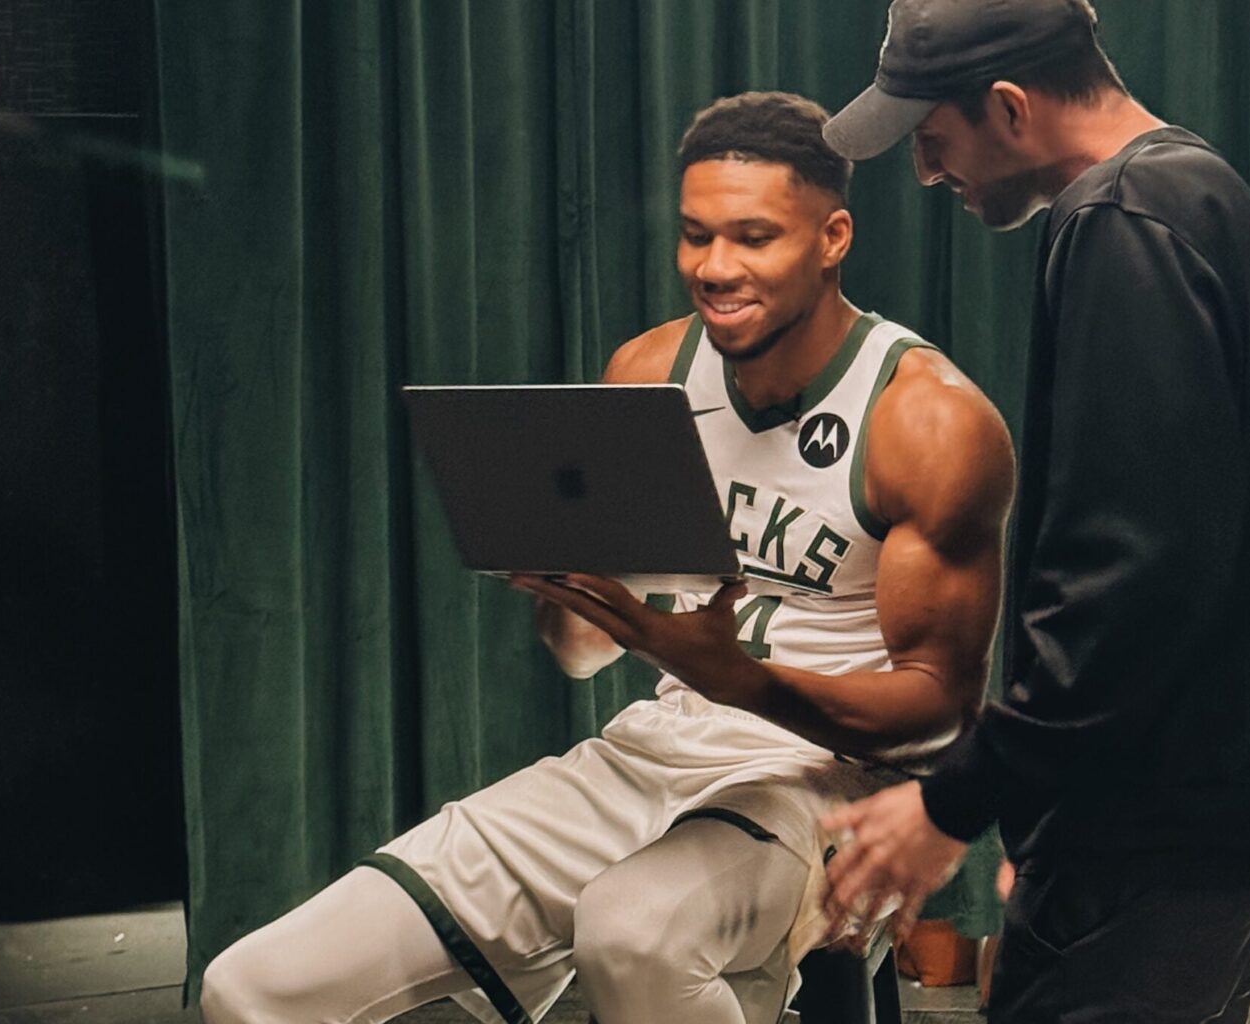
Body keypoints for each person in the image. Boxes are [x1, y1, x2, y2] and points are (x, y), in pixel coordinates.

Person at [197, 91, 1015, 1024]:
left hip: (827, 787)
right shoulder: (648, 375)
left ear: (832, 238)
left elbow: (938, 718)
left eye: (753, 238)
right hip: (655, 752)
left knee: (633, 933)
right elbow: (582, 655)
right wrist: (573, 588)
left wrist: (738, 677)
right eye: (695, 235)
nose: (713, 268)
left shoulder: (927, 421)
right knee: (252, 989)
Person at [816, 2, 1250, 1022]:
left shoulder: (1120, 220)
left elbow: (1126, 575)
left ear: (1011, 106)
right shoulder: (1212, 201)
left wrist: (961, 800)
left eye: (933, 144)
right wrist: (1077, 800)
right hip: (1195, 839)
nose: (931, 176)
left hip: (1150, 842)